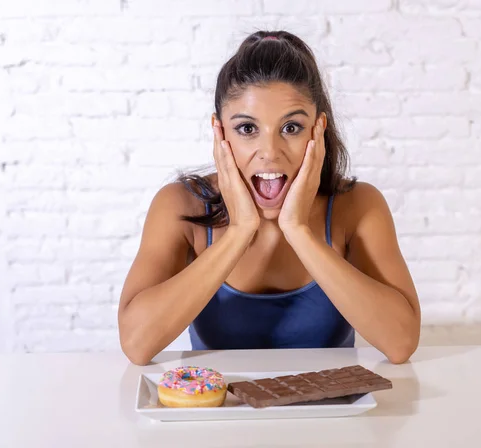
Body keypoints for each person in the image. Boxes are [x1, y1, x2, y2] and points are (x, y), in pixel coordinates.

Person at [118, 30, 421, 366]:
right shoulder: (181, 205)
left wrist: (298, 230)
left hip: (330, 417)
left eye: (290, 128)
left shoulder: (358, 206)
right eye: (247, 129)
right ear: (220, 133)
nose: (270, 153)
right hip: (220, 415)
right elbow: (136, 344)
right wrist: (239, 230)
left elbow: (401, 343)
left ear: (317, 130)